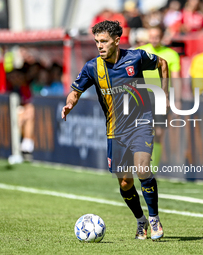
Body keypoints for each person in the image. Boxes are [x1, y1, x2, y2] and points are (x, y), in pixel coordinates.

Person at [61, 20, 169, 240]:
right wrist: (70, 103)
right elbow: (75, 91)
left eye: (104, 41)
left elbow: (163, 64)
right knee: (125, 182)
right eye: (97, 42)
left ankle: (155, 218)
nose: (99, 46)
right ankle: (141, 221)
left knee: (142, 168)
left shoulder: (136, 57)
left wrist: (164, 95)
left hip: (141, 123)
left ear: (117, 41)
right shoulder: (93, 67)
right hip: (115, 131)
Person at [137, 25, 181, 174]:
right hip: (143, 95)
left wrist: (177, 99)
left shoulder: (171, 54)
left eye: (157, 36)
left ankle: (153, 169)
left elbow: (176, 78)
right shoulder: (141, 51)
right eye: (151, 36)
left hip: (161, 96)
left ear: (162, 37)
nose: (154, 39)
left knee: (160, 132)